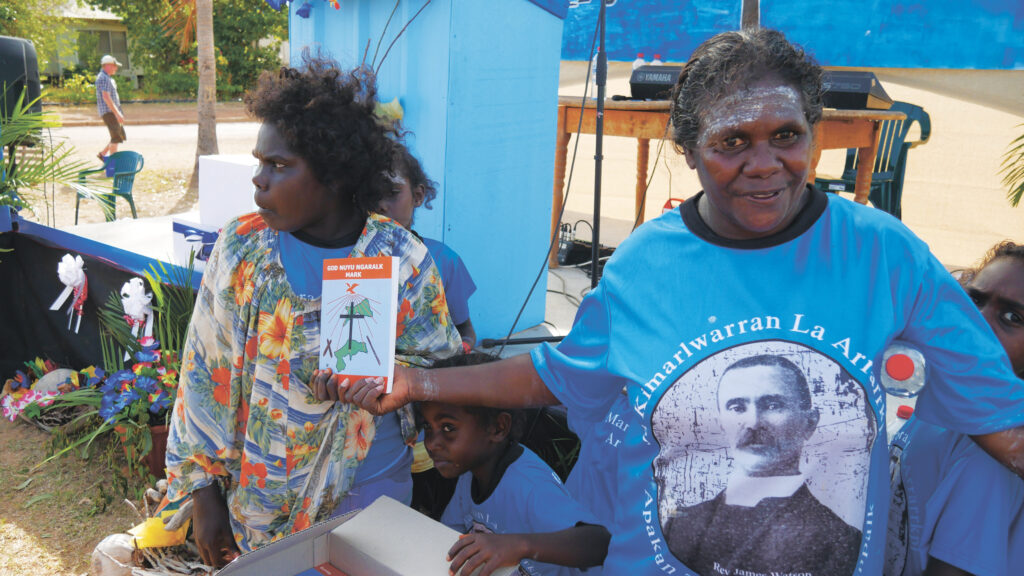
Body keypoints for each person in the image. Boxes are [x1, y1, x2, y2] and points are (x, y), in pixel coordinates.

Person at [315, 28, 1024, 575]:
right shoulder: (647, 266)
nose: (764, 164)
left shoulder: (885, 255)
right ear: (686, 148)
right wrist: (418, 381)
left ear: (815, 129)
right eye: (731, 142)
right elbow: (556, 375)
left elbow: (1004, 425)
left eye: (787, 135)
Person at [164, 55, 461, 568]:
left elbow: (442, 372)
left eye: (279, 166)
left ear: (335, 174)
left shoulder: (400, 257)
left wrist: (390, 381)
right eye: (259, 162)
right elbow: (202, 374)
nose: (259, 180)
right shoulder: (242, 249)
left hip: (370, 493)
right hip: (261, 504)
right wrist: (204, 494)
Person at [885, 241, 1024, 576]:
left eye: (1012, 317)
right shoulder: (944, 401)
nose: (975, 321)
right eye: (973, 300)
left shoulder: (995, 448)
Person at [663, 354, 861, 575]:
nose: (754, 422)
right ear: (720, 423)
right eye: (737, 407)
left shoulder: (840, 540)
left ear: (809, 423)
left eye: (773, 405)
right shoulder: (679, 523)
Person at [422, 353, 610, 576]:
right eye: (427, 427)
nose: (432, 444)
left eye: (447, 428)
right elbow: (449, 536)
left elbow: (600, 543)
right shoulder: (470, 473)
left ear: (498, 428)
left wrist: (518, 546)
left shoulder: (532, 489)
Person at [378, 146, 478, 350]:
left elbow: (465, 331)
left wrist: (462, 351)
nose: (380, 204)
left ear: (417, 196)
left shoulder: (445, 260)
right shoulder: (350, 262)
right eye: (371, 194)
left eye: (392, 193)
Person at [95, 55, 126, 160]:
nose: (116, 68)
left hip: (111, 111)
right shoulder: (103, 78)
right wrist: (117, 113)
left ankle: (103, 154)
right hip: (109, 112)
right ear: (107, 65)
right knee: (116, 138)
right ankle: (112, 165)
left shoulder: (107, 78)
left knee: (117, 135)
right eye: (114, 66)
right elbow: (106, 97)